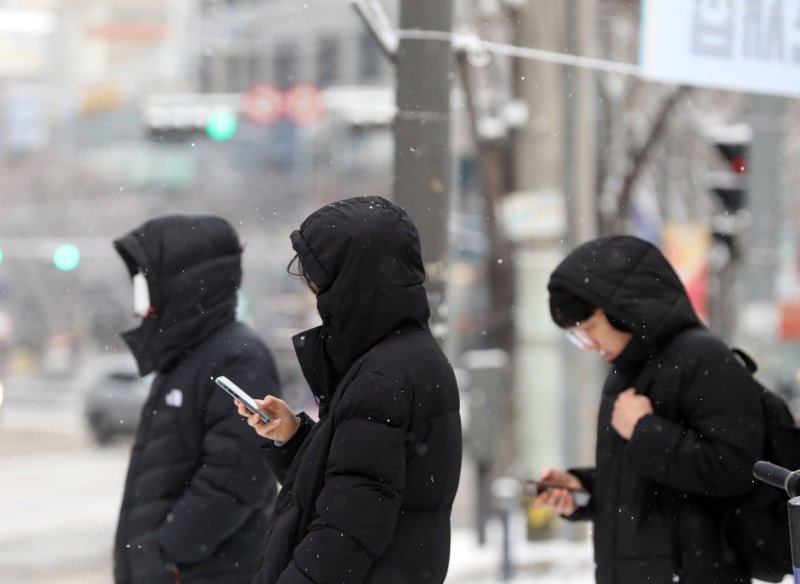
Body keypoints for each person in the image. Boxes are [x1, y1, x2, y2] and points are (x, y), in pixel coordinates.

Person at [236, 196, 463, 584]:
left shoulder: (382, 378)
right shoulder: (406, 356)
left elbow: (347, 529)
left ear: (351, 281)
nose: (315, 292)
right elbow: (357, 481)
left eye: (319, 280)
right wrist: (293, 438)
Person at [535, 235, 764, 584]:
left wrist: (644, 430)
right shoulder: (624, 374)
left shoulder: (703, 359)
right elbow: (646, 487)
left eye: (591, 329)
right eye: (578, 336)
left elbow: (737, 468)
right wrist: (581, 490)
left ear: (624, 309)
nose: (590, 345)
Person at [112, 214, 282, 584]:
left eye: (146, 282)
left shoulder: (237, 356)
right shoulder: (186, 356)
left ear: (183, 284)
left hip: (207, 572)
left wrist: (170, 551)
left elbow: (240, 474)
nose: (141, 299)